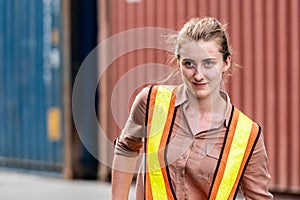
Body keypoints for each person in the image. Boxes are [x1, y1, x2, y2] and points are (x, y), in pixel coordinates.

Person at [111, 17, 273, 200]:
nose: (198, 75)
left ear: (226, 63)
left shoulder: (247, 135)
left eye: (208, 63)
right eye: (189, 64)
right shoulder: (151, 102)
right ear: (178, 63)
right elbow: (126, 148)